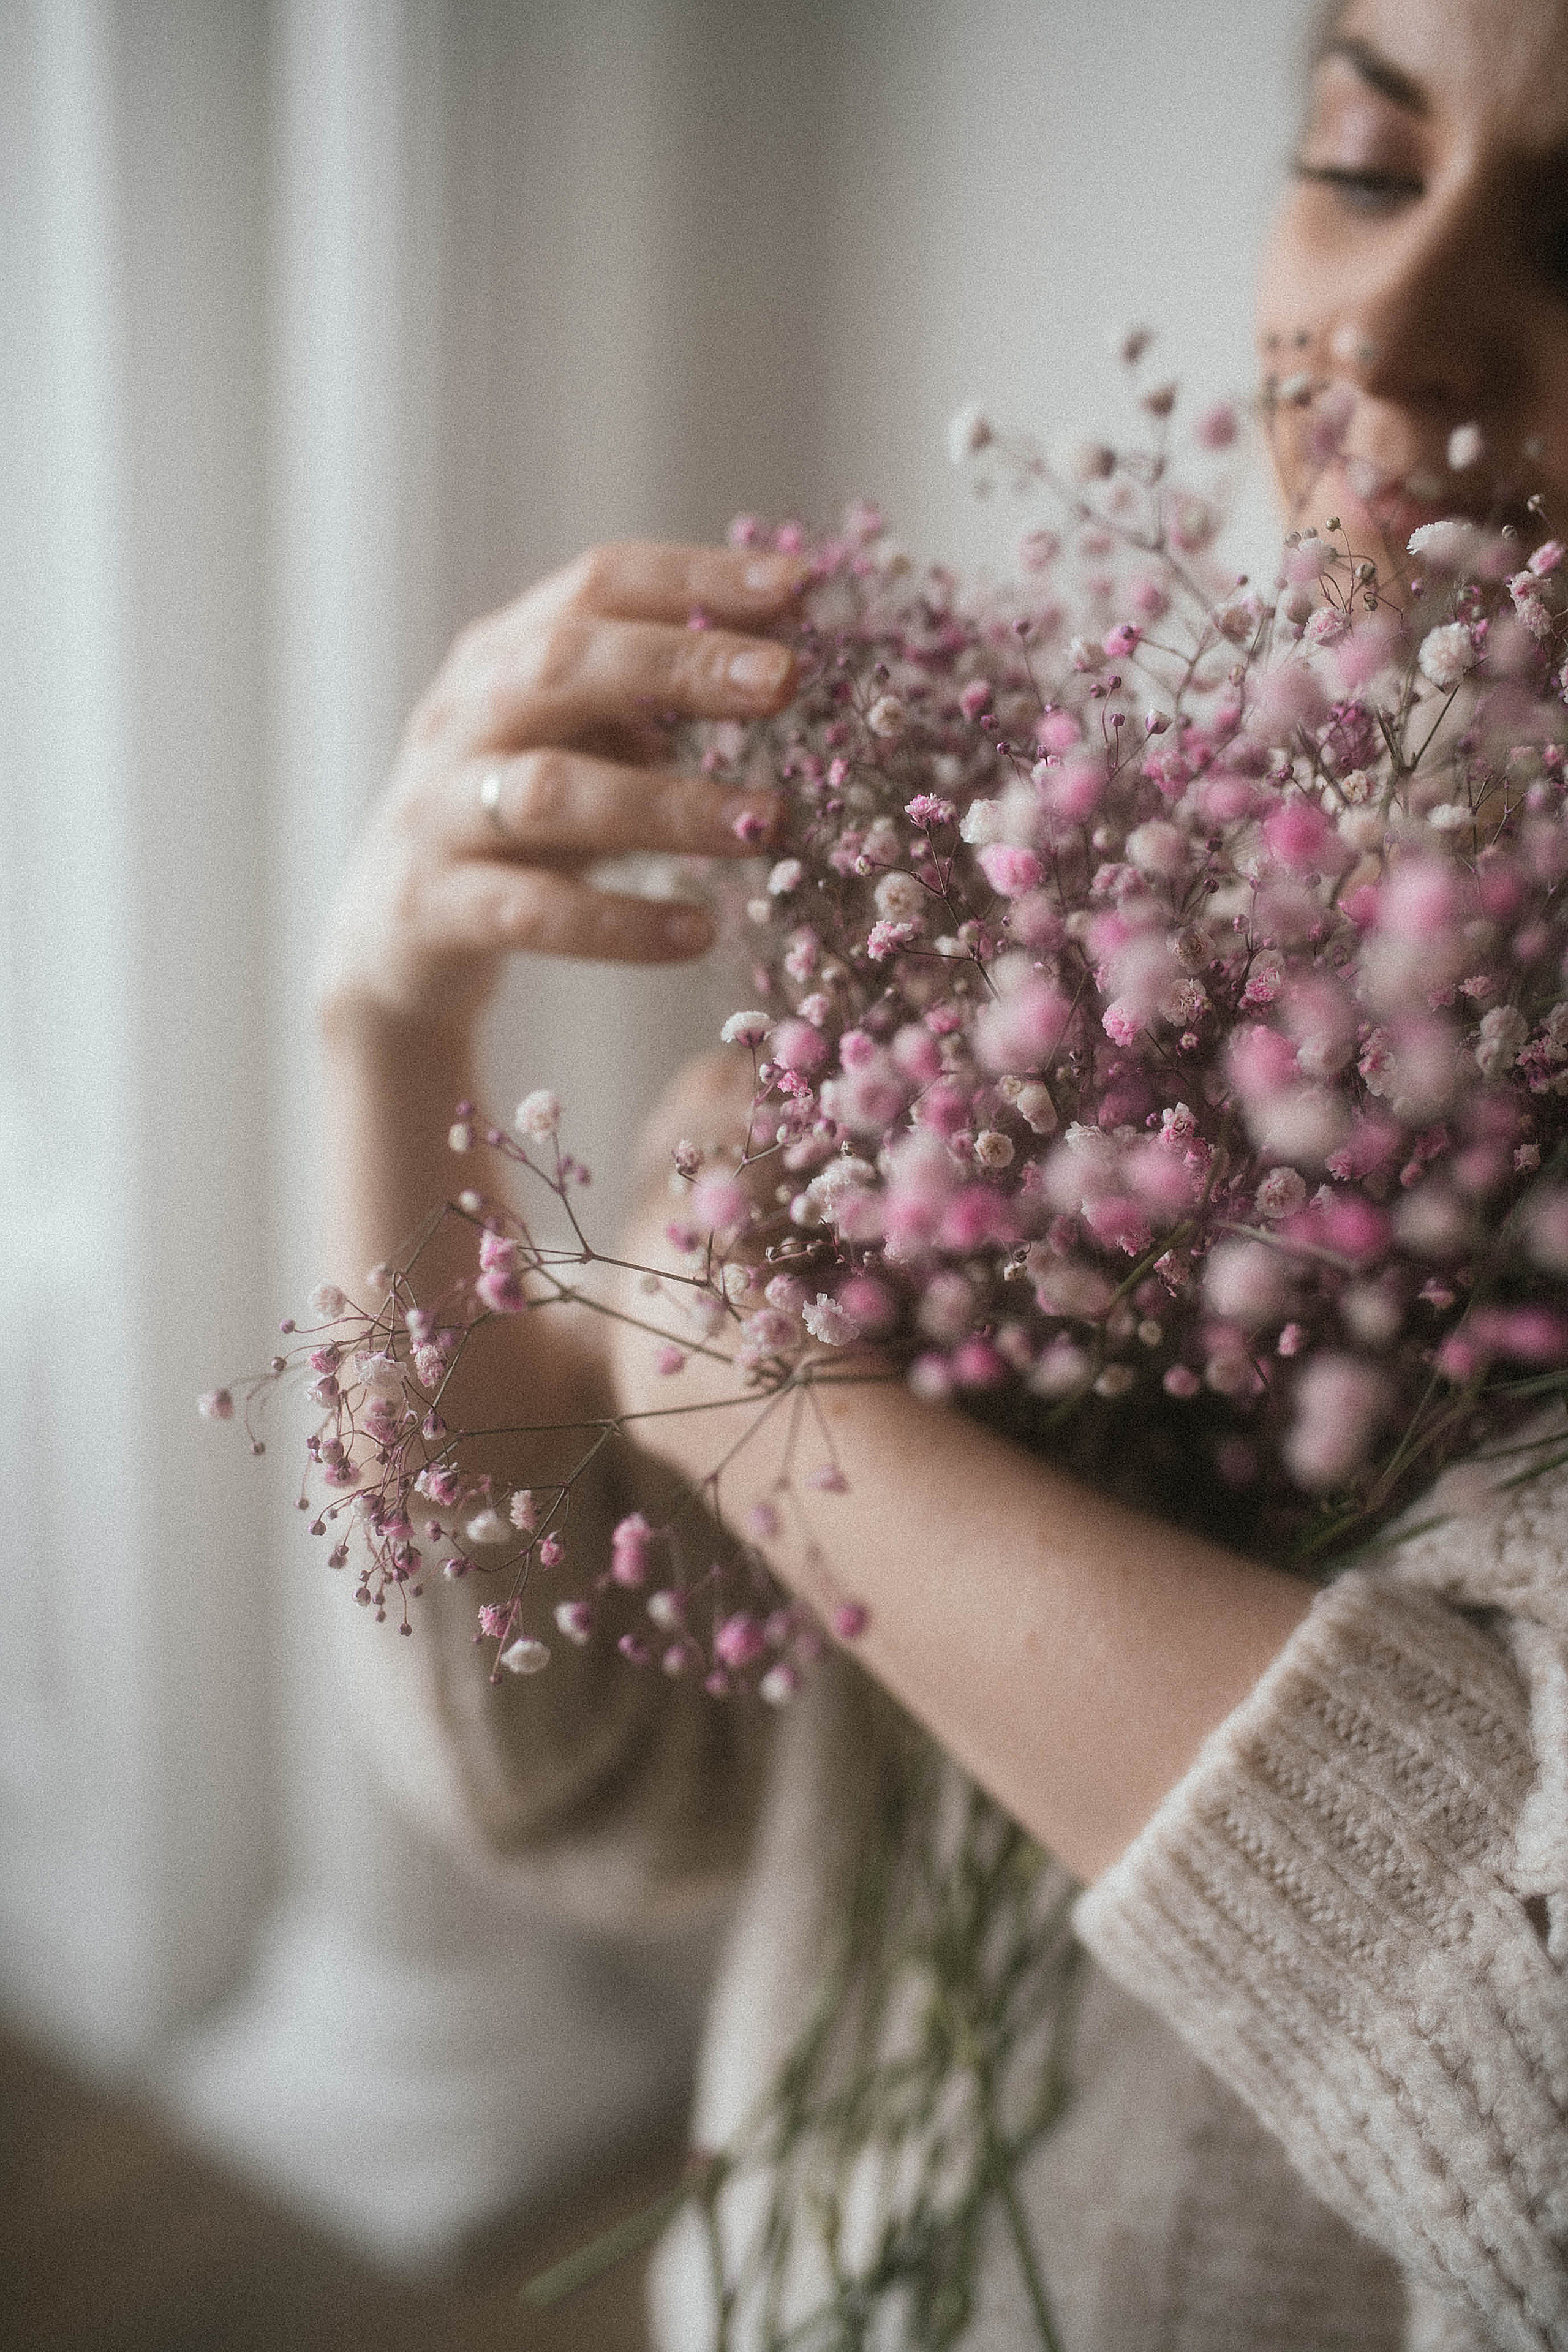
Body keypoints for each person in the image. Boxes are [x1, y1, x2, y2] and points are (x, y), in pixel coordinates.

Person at [316, 2, 1568, 2342]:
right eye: (1363, 162)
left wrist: (739, 1395)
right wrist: (389, 1023)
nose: (1396, 329)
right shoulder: (1095, 917)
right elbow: (605, 1775)